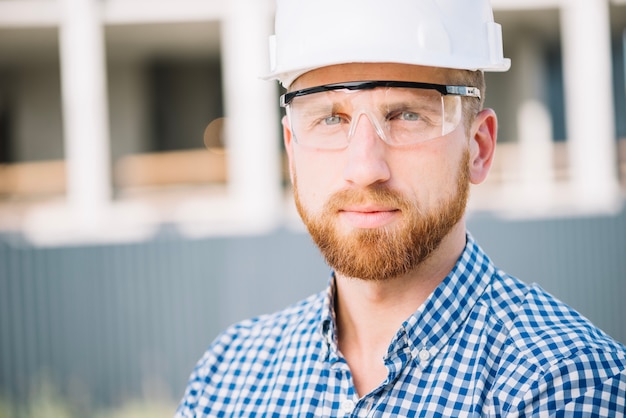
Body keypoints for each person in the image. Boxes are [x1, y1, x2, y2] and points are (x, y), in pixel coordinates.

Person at [176, 0, 626, 415]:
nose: (365, 168)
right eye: (331, 119)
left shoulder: (566, 382)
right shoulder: (228, 378)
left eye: (407, 115)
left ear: (479, 147)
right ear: (292, 152)